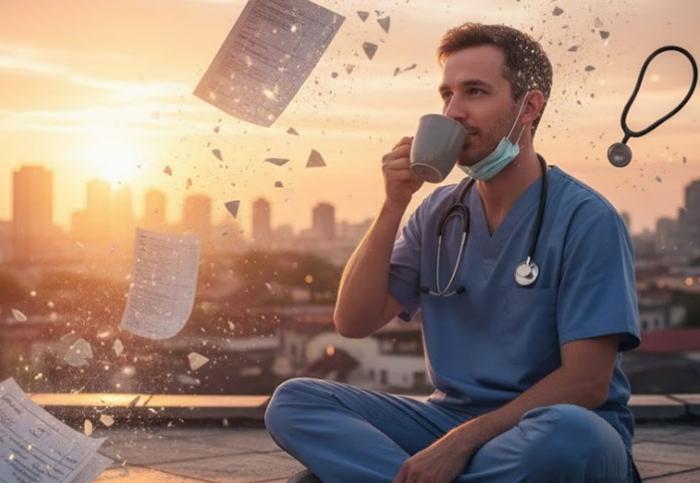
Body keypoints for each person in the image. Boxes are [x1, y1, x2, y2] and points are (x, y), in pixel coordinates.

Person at [265, 22, 642, 483]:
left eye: (475, 92)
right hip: (445, 422)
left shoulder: (586, 219)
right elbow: (353, 322)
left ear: (530, 106)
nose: (453, 111)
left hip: (543, 428)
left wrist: (460, 444)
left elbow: (586, 383)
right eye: (447, 95)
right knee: (296, 401)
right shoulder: (438, 213)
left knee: (570, 434)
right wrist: (394, 203)